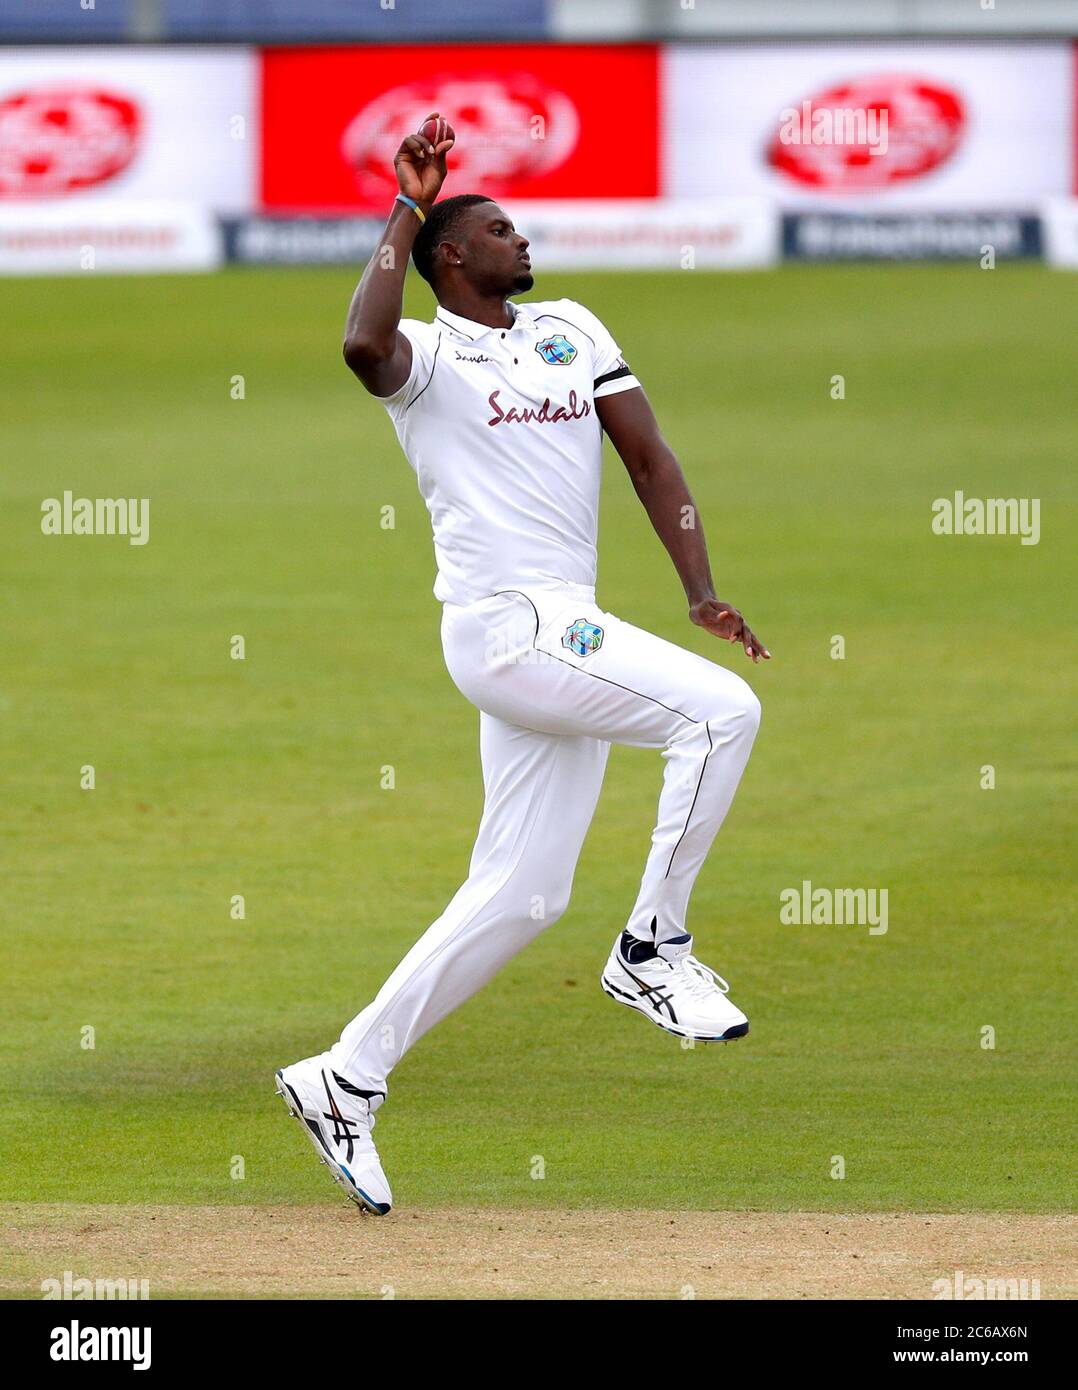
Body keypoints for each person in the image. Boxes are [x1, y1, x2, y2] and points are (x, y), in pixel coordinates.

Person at [275, 114, 769, 1215]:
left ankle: (344, 1076)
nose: (518, 236)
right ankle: (652, 946)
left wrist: (697, 586)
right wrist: (404, 204)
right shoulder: (423, 356)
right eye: (497, 228)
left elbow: (649, 456)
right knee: (721, 715)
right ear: (451, 257)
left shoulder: (572, 329)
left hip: (568, 623)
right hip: (508, 627)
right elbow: (361, 346)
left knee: (524, 892)